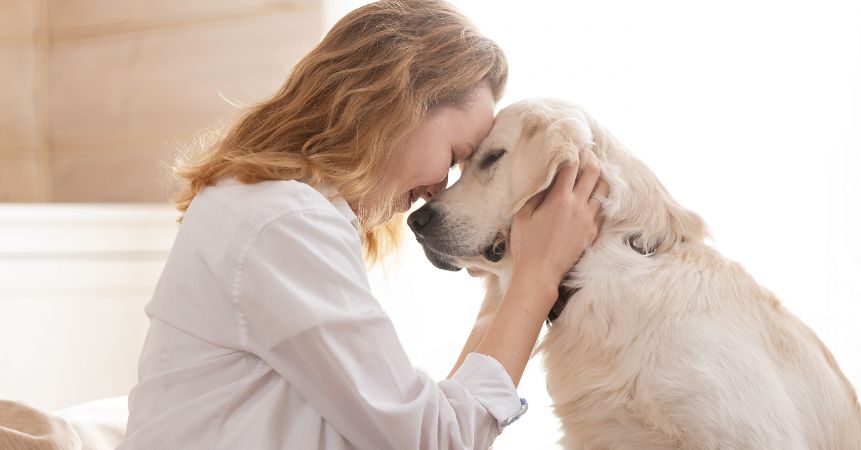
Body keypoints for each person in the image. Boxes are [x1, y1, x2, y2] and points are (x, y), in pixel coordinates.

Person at [120, 1, 607, 449]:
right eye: (455, 157)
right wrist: (537, 279)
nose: (440, 188)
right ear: (397, 103)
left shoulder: (267, 205)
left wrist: (512, 278)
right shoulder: (284, 223)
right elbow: (432, 440)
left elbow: (423, 420)